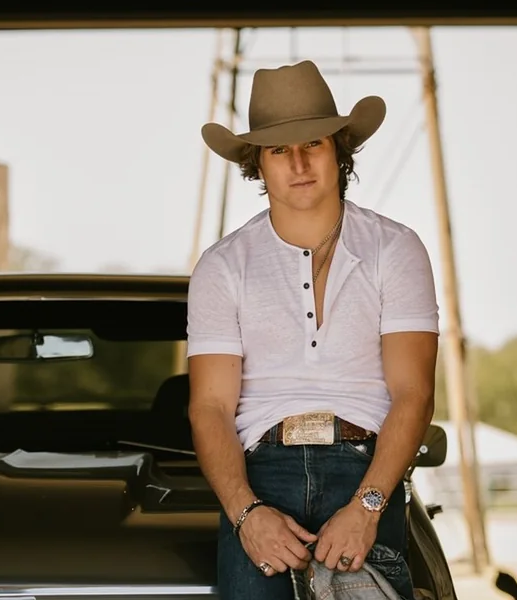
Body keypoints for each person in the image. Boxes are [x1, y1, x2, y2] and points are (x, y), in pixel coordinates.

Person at [186, 59, 440, 600]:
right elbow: (209, 406)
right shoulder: (222, 266)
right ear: (258, 163)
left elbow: (414, 393)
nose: (299, 164)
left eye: (313, 145)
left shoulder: (395, 249)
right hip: (259, 475)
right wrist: (246, 513)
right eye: (279, 149)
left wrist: (368, 507)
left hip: (365, 469)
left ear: (338, 151)